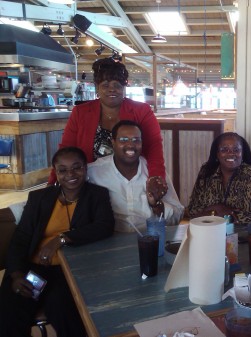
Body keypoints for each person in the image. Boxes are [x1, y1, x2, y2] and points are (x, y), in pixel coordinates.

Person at [0, 147, 115, 337]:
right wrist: (16, 274)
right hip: (34, 270)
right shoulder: (39, 198)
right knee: (11, 313)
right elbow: (21, 239)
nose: (70, 174)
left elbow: (104, 226)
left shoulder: (97, 195)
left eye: (76, 168)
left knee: (64, 310)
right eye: (63, 170)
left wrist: (60, 239)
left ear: (85, 168)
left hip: (67, 271)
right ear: (56, 172)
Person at [48, 57, 167, 197]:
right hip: (91, 184)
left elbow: (154, 147)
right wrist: (52, 184)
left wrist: (156, 177)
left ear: (124, 87)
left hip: (132, 183)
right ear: (97, 87)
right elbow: (66, 151)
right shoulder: (80, 112)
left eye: (117, 85)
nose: (112, 89)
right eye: (105, 85)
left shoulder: (142, 111)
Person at [88, 120, 184, 232]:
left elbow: (178, 215)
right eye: (123, 140)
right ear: (112, 142)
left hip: (149, 239)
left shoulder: (153, 173)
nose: (130, 145)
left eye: (136, 140)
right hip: (108, 241)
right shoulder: (94, 172)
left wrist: (156, 205)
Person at [186, 132, 251, 225]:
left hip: (242, 235)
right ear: (217, 153)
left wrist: (209, 212)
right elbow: (193, 211)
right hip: (206, 230)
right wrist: (218, 209)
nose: (231, 153)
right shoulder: (207, 171)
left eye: (236, 150)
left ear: (242, 153)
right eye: (224, 150)